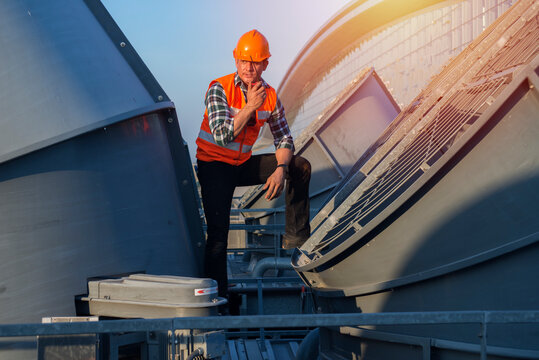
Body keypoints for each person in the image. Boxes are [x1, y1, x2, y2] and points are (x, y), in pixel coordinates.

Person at [195, 29, 311, 307]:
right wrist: (249, 107)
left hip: (242, 163)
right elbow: (222, 135)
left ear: (265, 64)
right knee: (218, 235)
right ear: (236, 60)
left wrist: (281, 167)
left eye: (255, 62)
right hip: (214, 164)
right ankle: (218, 300)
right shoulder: (219, 88)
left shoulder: (270, 96)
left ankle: (295, 240)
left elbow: (284, 137)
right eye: (244, 61)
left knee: (300, 166)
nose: (248, 67)